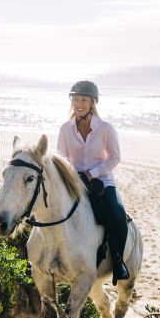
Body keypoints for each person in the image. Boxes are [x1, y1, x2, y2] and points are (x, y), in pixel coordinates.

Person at [57, 80, 129, 285]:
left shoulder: (106, 128)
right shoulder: (65, 128)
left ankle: (118, 261)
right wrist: (73, 175)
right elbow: (61, 158)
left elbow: (115, 157)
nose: (79, 104)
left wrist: (92, 173)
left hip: (102, 181)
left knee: (118, 214)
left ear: (92, 102)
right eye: (76, 99)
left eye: (84, 100)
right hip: (74, 180)